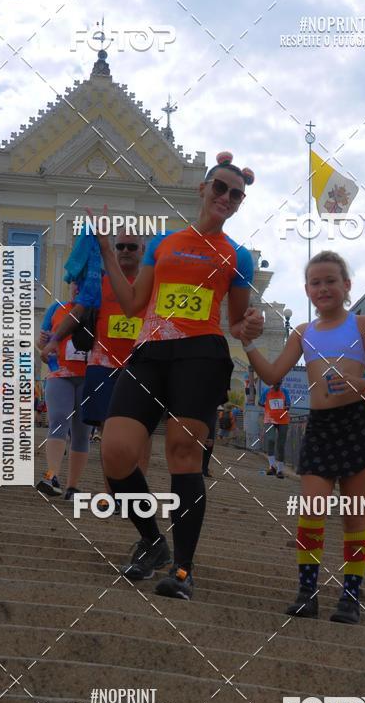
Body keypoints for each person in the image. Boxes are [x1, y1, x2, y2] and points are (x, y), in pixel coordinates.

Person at [96, 151, 263, 599]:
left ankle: (183, 572)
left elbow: (237, 321)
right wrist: (108, 252)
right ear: (203, 189)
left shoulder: (237, 256)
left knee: (183, 455)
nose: (227, 197)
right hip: (150, 353)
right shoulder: (164, 243)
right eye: (221, 188)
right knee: (115, 454)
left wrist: (252, 325)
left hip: (201, 355)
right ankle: (153, 541)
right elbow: (133, 304)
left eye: (236, 194)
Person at [241, 251, 365, 624]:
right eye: (315, 282)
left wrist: (361, 383)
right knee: (311, 509)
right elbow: (273, 372)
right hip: (320, 425)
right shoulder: (303, 333)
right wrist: (247, 343)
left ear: (346, 286)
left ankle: (350, 598)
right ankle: (307, 593)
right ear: (307, 289)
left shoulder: (364, 325)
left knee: (355, 516)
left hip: (357, 423)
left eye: (330, 281)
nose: (323, 288)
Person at [42, 229, 151, 478]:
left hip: (141, 365)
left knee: (142, 430)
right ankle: (112, 492)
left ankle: (138, 490)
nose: (125, 251)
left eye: (131, 247)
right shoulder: (100, 283)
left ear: (142, 250)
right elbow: (78, 311)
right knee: (109, 432)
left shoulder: (150, 282)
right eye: (120, 246)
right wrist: (54, 340)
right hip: (103, 365)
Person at [36, 284, 91, 499]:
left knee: (81, 432)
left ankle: (73, 486)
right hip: (60, 374)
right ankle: (52, 476)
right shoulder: (56, 308)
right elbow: (43, 343)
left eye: (83, 282)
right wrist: (42, 344)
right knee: (58, 420)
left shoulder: (98, 309)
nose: (77, 287)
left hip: (89, 376)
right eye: (74, 283)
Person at [259, 381, 291, 478]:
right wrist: (268, 407)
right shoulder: (266, 391)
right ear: (272, 384)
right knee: (271, 439)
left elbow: (288, 405)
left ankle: (280, 470)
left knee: (281, 444)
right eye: (276, 384)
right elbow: (260, 403)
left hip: (283, 420)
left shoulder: (285, 391)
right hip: (270, 419)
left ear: (281, 383)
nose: (277, 386)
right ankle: (272, 466)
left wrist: (285, 407)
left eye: (279, 384)